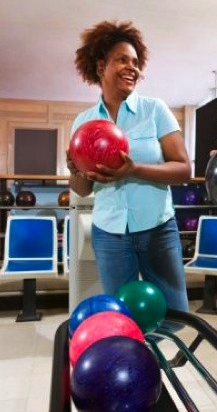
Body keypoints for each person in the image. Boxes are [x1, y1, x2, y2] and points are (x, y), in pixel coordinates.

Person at [66, 20, 191, 329]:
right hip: (110, 234)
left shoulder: (155, 110)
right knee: (122, 316)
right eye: (122, 59)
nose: (131, 67)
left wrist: (134, 170)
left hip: (158, 230)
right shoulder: (83, 123)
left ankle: (163, 367)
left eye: (135, 62)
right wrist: (76, 169)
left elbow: (184, 170)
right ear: (100, 66)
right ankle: (135, 372)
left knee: (173, 314)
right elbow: (81, 189)